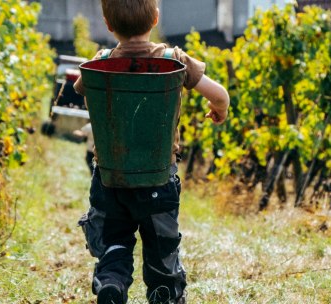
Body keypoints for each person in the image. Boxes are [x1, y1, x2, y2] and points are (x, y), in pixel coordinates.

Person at [72, 0, 230, 303]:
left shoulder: (102, 61)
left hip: (110, 180)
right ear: (155, 18)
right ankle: (163, 292)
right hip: (158, 181)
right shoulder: (173, 59)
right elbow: (219, 94)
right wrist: (219, 108)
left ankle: (112, 282)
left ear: (107, 23)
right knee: (161, 250)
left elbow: (81, 86)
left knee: (114, 241)